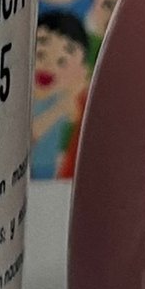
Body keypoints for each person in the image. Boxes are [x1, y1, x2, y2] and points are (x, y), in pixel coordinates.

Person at [29, 11, 91, 183]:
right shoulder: (22, 103)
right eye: (40, 55)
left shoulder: (70, 102)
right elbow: (29, 137)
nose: (48, 66)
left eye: (62, 61)